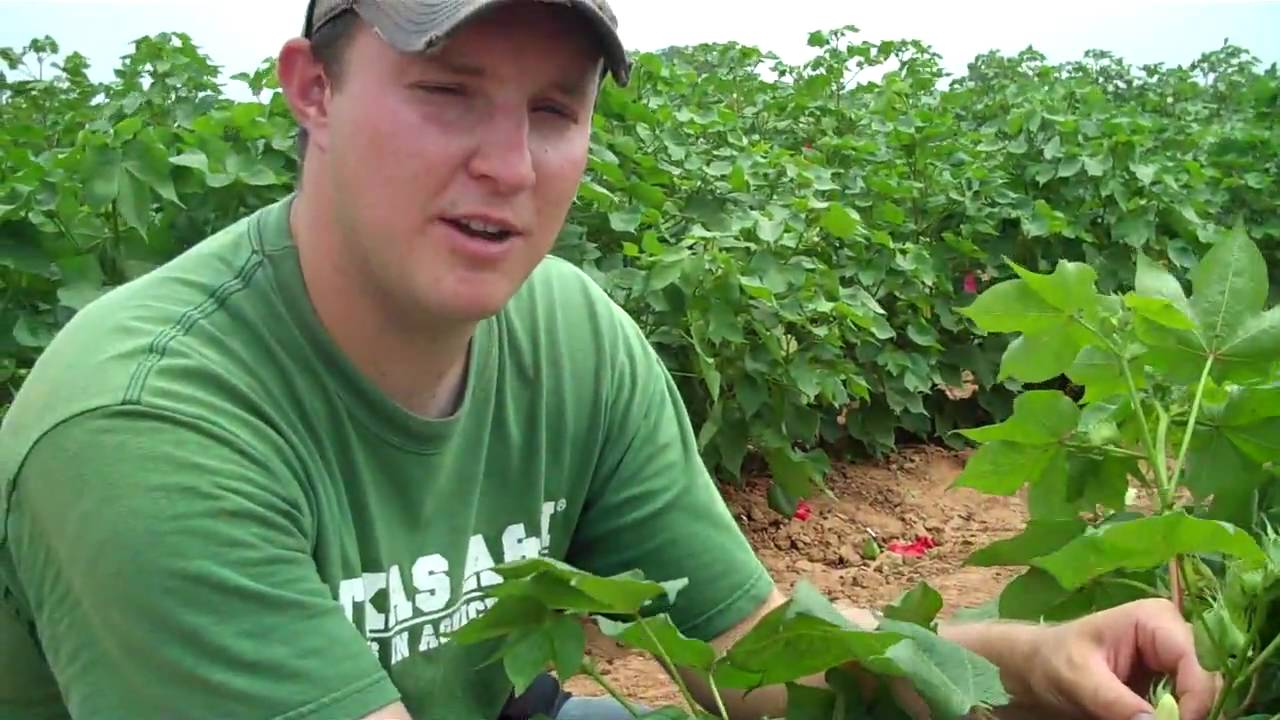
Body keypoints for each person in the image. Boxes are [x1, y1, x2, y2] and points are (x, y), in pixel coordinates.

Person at [0, 1, 1219, 719]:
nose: (508, 166)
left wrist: (1012, 666)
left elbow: (751, 650)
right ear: (311, 90)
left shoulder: (567, 333)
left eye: (552, 110)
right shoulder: (148, 428)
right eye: (445, 92)